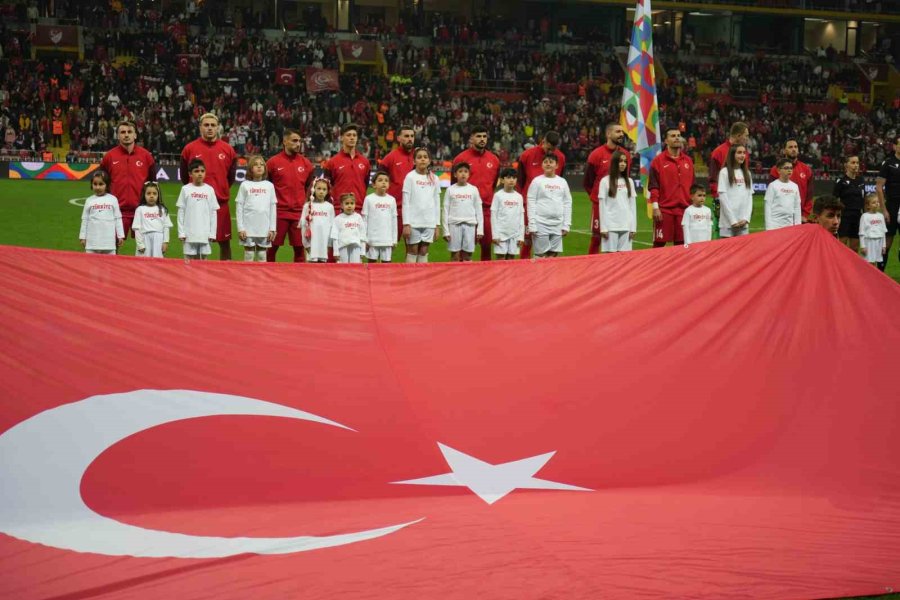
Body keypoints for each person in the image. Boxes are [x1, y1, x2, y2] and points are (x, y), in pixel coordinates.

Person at [180, 113, 236, 260]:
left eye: (213, 125)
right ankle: (193, 275)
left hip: (220, 205)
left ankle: (225, 275)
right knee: (193, 243)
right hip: (196, 205)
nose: (210, 128)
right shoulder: (189, 149)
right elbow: (185, 177)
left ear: (218, 128)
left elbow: (231, 178)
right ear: (200, 127)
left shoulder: (228, 150)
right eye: (206, 125)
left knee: (224, 243)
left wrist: (219, 191)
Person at [100, 120, 156, 244]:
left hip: (141, 210)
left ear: (135, 135)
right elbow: (102, 183)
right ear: (118, 135)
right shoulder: (109, 157)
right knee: (111, 246)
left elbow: (153, 184)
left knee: (146, 248)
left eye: (130, 132)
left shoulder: (146, 156)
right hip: (117, 211)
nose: (126, 135)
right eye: (123, 132)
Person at [453, 124, 500, 261]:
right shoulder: (460, 159)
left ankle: (486, 279)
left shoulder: (494, 160)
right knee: (464, 249)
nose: (482, 139)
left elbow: (493, 183)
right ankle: (462, 278)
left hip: (486, 209)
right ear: (471, 139)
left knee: (486, 246)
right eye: (478, 136)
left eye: (484, 136)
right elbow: (453, 185)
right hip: (465, 210)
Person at [266, 129, 313, 263]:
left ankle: (299, 280)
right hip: (278, 212)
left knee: (299, 249)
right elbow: (267, 186)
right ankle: (267, 278)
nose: (298, 144)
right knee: (272, 248)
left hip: (298, 213)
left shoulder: (306, 164)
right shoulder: (273, 163)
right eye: (294, 140)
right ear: (285, 141)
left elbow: (309, 187)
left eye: (299, 141)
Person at [517, 130, 566, 258]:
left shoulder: (560, 157)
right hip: (530, 205)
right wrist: (522, 202)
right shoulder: (527, 155)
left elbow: (558, 180)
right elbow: (520, 181)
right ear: (543, 141)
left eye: (554, 149)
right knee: (527, 240)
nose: (551, 152)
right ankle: (524, 270)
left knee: (551, 246)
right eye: (549, 148)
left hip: (551, 208)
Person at [584, 123, 631, 255]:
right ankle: (591, 267)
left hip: (618, 205)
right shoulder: (596, 154)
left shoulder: (626, 155)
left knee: (620, 236)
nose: (621, 134)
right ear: (608, 134)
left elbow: (626, 178)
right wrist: (596, 197)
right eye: (618, 132)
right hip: (600, 204)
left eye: (622, 132)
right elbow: (588, 181)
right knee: (597, 237)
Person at [648, 128, 695, 247]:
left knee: (681, 246)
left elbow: (692, 186)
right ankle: (654, 266)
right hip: (664, 210)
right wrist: (655, 207)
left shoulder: (688, 161)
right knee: (659, 245)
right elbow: (653, 186)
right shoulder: (657, 161)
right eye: (673, 136)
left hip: (684, 210)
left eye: (678, 135)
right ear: (666, 141)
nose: (677, 138)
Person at [527, 154, 572, 258]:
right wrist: (532, 223)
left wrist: (566, 224)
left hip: (558, 224)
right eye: (545, 162)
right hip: (540, 223)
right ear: (542, 165)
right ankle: (538, 274)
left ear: (557, 165)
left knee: (553, 254)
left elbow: (567, 203)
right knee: (540, 255)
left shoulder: (562, 182)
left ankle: (551, 275)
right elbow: (531, 202)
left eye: (551, 162)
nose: (548, 164)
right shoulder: (537, 181)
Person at [378, 125, 416, 252]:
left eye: (411, 136)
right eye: (406, 136)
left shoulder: (419, 157)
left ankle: (411, 272)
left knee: (413, 249)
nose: (409, 139)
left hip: (414, 211)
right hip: (395, 210)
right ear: (399, 138)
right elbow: (379, 180)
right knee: (388, 247)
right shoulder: (390, 158)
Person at [402, 147, 441, 264]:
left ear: (429, 160)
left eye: (425, 157)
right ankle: (409, 279)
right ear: (414, 161)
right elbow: (405, 201)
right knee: (412, 251)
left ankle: (422, 280)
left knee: (424, 251)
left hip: (429, 222)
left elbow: (436, 202)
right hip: (413, 222)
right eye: (419, 157)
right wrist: (406, 224)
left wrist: (437, 225)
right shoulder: (410, 177)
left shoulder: (434, 178)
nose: (422, 160)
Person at [709, 122, 750, 230]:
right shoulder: (718, 152)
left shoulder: (744, 153)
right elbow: (713, 179)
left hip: (741, 203)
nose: (747, 139)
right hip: (722, 200)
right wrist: (717, 200)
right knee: (722, 235)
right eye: (746, 135)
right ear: (738, 136)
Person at [236, 155, 277, 262]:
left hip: (264, 227)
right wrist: (241, 228)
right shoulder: (245, 185)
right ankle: (247, 277)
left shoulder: (269, 186)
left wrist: (272, 228)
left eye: (261, 164)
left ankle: (261, 278)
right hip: (248, 227)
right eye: (255, 165)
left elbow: (273, 208)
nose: (259, 167)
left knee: (262, 255)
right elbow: (239, 207)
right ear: (250, 169)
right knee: (249, 254)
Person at [176, 159, 218, 261]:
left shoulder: (210, 190)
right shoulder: (185, 189)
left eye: (202, 171)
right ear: (190, 174)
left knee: (203, 261)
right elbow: (181, 211)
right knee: (188, 261)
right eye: (196, 171)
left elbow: (213, 213)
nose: (200, 174)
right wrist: (181, 232)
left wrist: (212, 233)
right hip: (189, 233)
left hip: (204, 233)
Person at [324, 123, 371, 215]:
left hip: (359, 208)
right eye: (348, 135)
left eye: (354, 135)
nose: (352, 138)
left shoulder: (365, 162)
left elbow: (365, 185)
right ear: (341, 138)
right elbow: (328, 187)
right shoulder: (332, 162)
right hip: (338, 209)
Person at [443, 162, 484, 262]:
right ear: (455, 174)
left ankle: (468, 277)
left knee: (468, 256)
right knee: (455, 255)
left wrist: (480, 229)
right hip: (454, 225)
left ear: (469, 174)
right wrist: (445, 230)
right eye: (460, 171)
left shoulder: (473, 190)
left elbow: (479, 210)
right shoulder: (450, 190)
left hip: (470, 225)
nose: (463, 174)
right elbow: (445, 210)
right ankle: (454, 277)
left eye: (466, 171)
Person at [598, 149, 637, 253]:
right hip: (611, 227)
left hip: (626, 226)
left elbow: (632, 206)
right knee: (610, 260)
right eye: (620, 161)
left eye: (625, 161)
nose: (623, 164)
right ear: (614, 163)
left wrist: (633, 227)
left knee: (624, 261)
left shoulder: (630, 182)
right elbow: (602, 206)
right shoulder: (605, 181)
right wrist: (603, 228)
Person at [79, 170, 124, 254]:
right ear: (92, 185)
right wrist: (82, 237)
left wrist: (120, 235)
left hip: (109, 243)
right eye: (95, 184)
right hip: (92, 243)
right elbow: (85, 220)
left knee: (109, 266)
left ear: (107, 185)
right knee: (91, 266)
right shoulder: (89, 200)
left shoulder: (113, 199)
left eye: (101, 184)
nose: (98, 187)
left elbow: (118, 218)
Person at [768, 139, 814, 220]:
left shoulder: (806, 170)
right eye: (790, 147)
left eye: (795, 147)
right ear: (784, 151)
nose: (793, 149)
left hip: (800, 216)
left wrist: (804, 214)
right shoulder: (775, 170)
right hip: (781, 217)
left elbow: (809, 196)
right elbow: (771, 196)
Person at [875, 134, 900, 271]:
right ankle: (880, 272)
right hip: (892, 205)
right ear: (895, 146)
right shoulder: (888, 163)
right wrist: (884, 210)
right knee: (888, 240)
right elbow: (879, 187)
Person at [718, 144, 753, 238]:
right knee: (727, 252)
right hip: (727, 224)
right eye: (739, 152)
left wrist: (746, 218)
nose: (742, 155)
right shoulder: (724, 172)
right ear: (732, 154)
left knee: (743, 252)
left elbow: (749, 198)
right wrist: (732, 220)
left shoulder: (747, 173)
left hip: (743, 223)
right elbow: (723, 198)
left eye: (744, 153)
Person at [832, 155, 866, 254]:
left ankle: (851, 269)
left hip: (858, 217)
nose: (856, 165)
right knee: (842, 246)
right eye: (853, 163)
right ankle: (838, 268)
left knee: (855, 248)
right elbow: (834, 200)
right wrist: (836, 217)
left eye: (857, 163)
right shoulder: (840, 181)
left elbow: (864, 199)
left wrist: (866, 216)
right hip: (845, 216)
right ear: (846, 165)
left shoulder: (861, 180)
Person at [362, 171, 398, 263]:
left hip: (387, 240)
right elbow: (364, 220)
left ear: (389, 185)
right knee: (372, 265)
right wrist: (364, 239)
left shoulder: (392, 200)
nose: (383, 182)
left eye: (386, 180)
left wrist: (394, 239)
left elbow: (394, 220)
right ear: (374, 185)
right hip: (372, 240)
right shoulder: (369, 199)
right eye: (380, 180)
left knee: (386, 266)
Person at [491, 168, 525, 260]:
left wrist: (521, 236)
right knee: (500, 260)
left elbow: (521, 217)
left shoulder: (519, 197)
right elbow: (493, 216)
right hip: (501, 234)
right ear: (502, 180)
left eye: (514, 178)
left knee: (511, 260)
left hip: (514, 234)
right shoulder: (498, 195)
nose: (511, 180)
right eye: (509, 177)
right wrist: (495, 235)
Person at [132, 181, 172, 258]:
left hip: (158, 240)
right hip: (144, 239)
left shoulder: (163, 210)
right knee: (143, 264)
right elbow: (137, 228)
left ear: (158, 195)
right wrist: (140, 244)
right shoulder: (140, 209)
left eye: (154, 193)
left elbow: (166, 227)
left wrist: (165, 242)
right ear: (144, 195)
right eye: (148, 193)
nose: (151, 196)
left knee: (157, 264)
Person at [301, 178, 335, 263]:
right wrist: (306, 244)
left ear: (327, 191)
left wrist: (330, 244)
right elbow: (303, 225)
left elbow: (332, 227)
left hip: (324, 245)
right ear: (313, 189)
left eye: (324, 189)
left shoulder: (330, 207)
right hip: (311, 244)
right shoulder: (308, 206)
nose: (321, 192)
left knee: (322, 269)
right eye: (319, 188)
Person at [764, 158, 802, 231]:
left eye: (791, 168)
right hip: (775, 225)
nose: (789, 170)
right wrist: (768, 228)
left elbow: (797, 207)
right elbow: (767, 207)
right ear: (778, 170)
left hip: (789, 226)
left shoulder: (795, 186)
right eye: (786, 168)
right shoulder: (773, 186)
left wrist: (798, 226)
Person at [330, 193, 367, 264]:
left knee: (356, 266)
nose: (349, 206)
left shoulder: (358, 217)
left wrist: (362, 250)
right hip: (342, 246)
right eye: (347, 203)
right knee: (343, 267)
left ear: (355, 204)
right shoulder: (338, 219)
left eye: (352, 203)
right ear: (341, 205)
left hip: (356, 246)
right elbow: (335, 237)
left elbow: (362, 235)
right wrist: (336, 252)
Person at [859, 194, 888, 266]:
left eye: (878, 202)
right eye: (874, 202)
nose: (876, 204)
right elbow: (861, 232)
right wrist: (863, 246)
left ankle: (873, 277)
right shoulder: (864, 216)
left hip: (879, 242)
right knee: (868, 262)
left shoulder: (881, 216)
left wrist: (884, 246)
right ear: (868, 205)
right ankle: (866, 276)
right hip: (869, 242)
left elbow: (883, 231)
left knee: (875, 262)